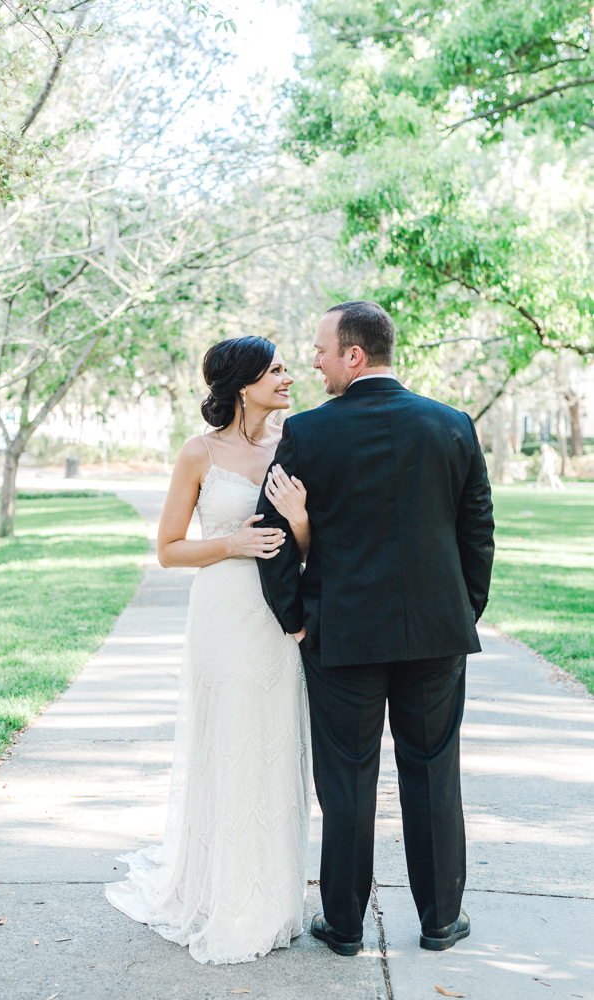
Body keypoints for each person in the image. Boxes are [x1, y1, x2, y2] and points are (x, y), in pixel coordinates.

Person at [256, 301, 495, 956]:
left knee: (347, 781)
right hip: (434, 635)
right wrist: (459, 612)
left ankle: (343, 926)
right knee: (431, 772)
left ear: (353, 355)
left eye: (322, 349)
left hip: (342, 638)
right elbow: (477, 532)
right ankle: (441, 920)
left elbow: (270, 538)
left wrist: (295, 621)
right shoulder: (451, 425)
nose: (313, 360)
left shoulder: (304, 433)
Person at [106, 336, 313, 965]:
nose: (287, 377)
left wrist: (300, 523)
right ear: (243, 383)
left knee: (276, 742)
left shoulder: (297, 445)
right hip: (223, 613)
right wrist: (230, 544)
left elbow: (312, 547)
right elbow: (168, 549)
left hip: (280, 615)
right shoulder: (198, 453)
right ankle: (217, 891)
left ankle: (272, 896)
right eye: (275, 369)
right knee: (229, 741)